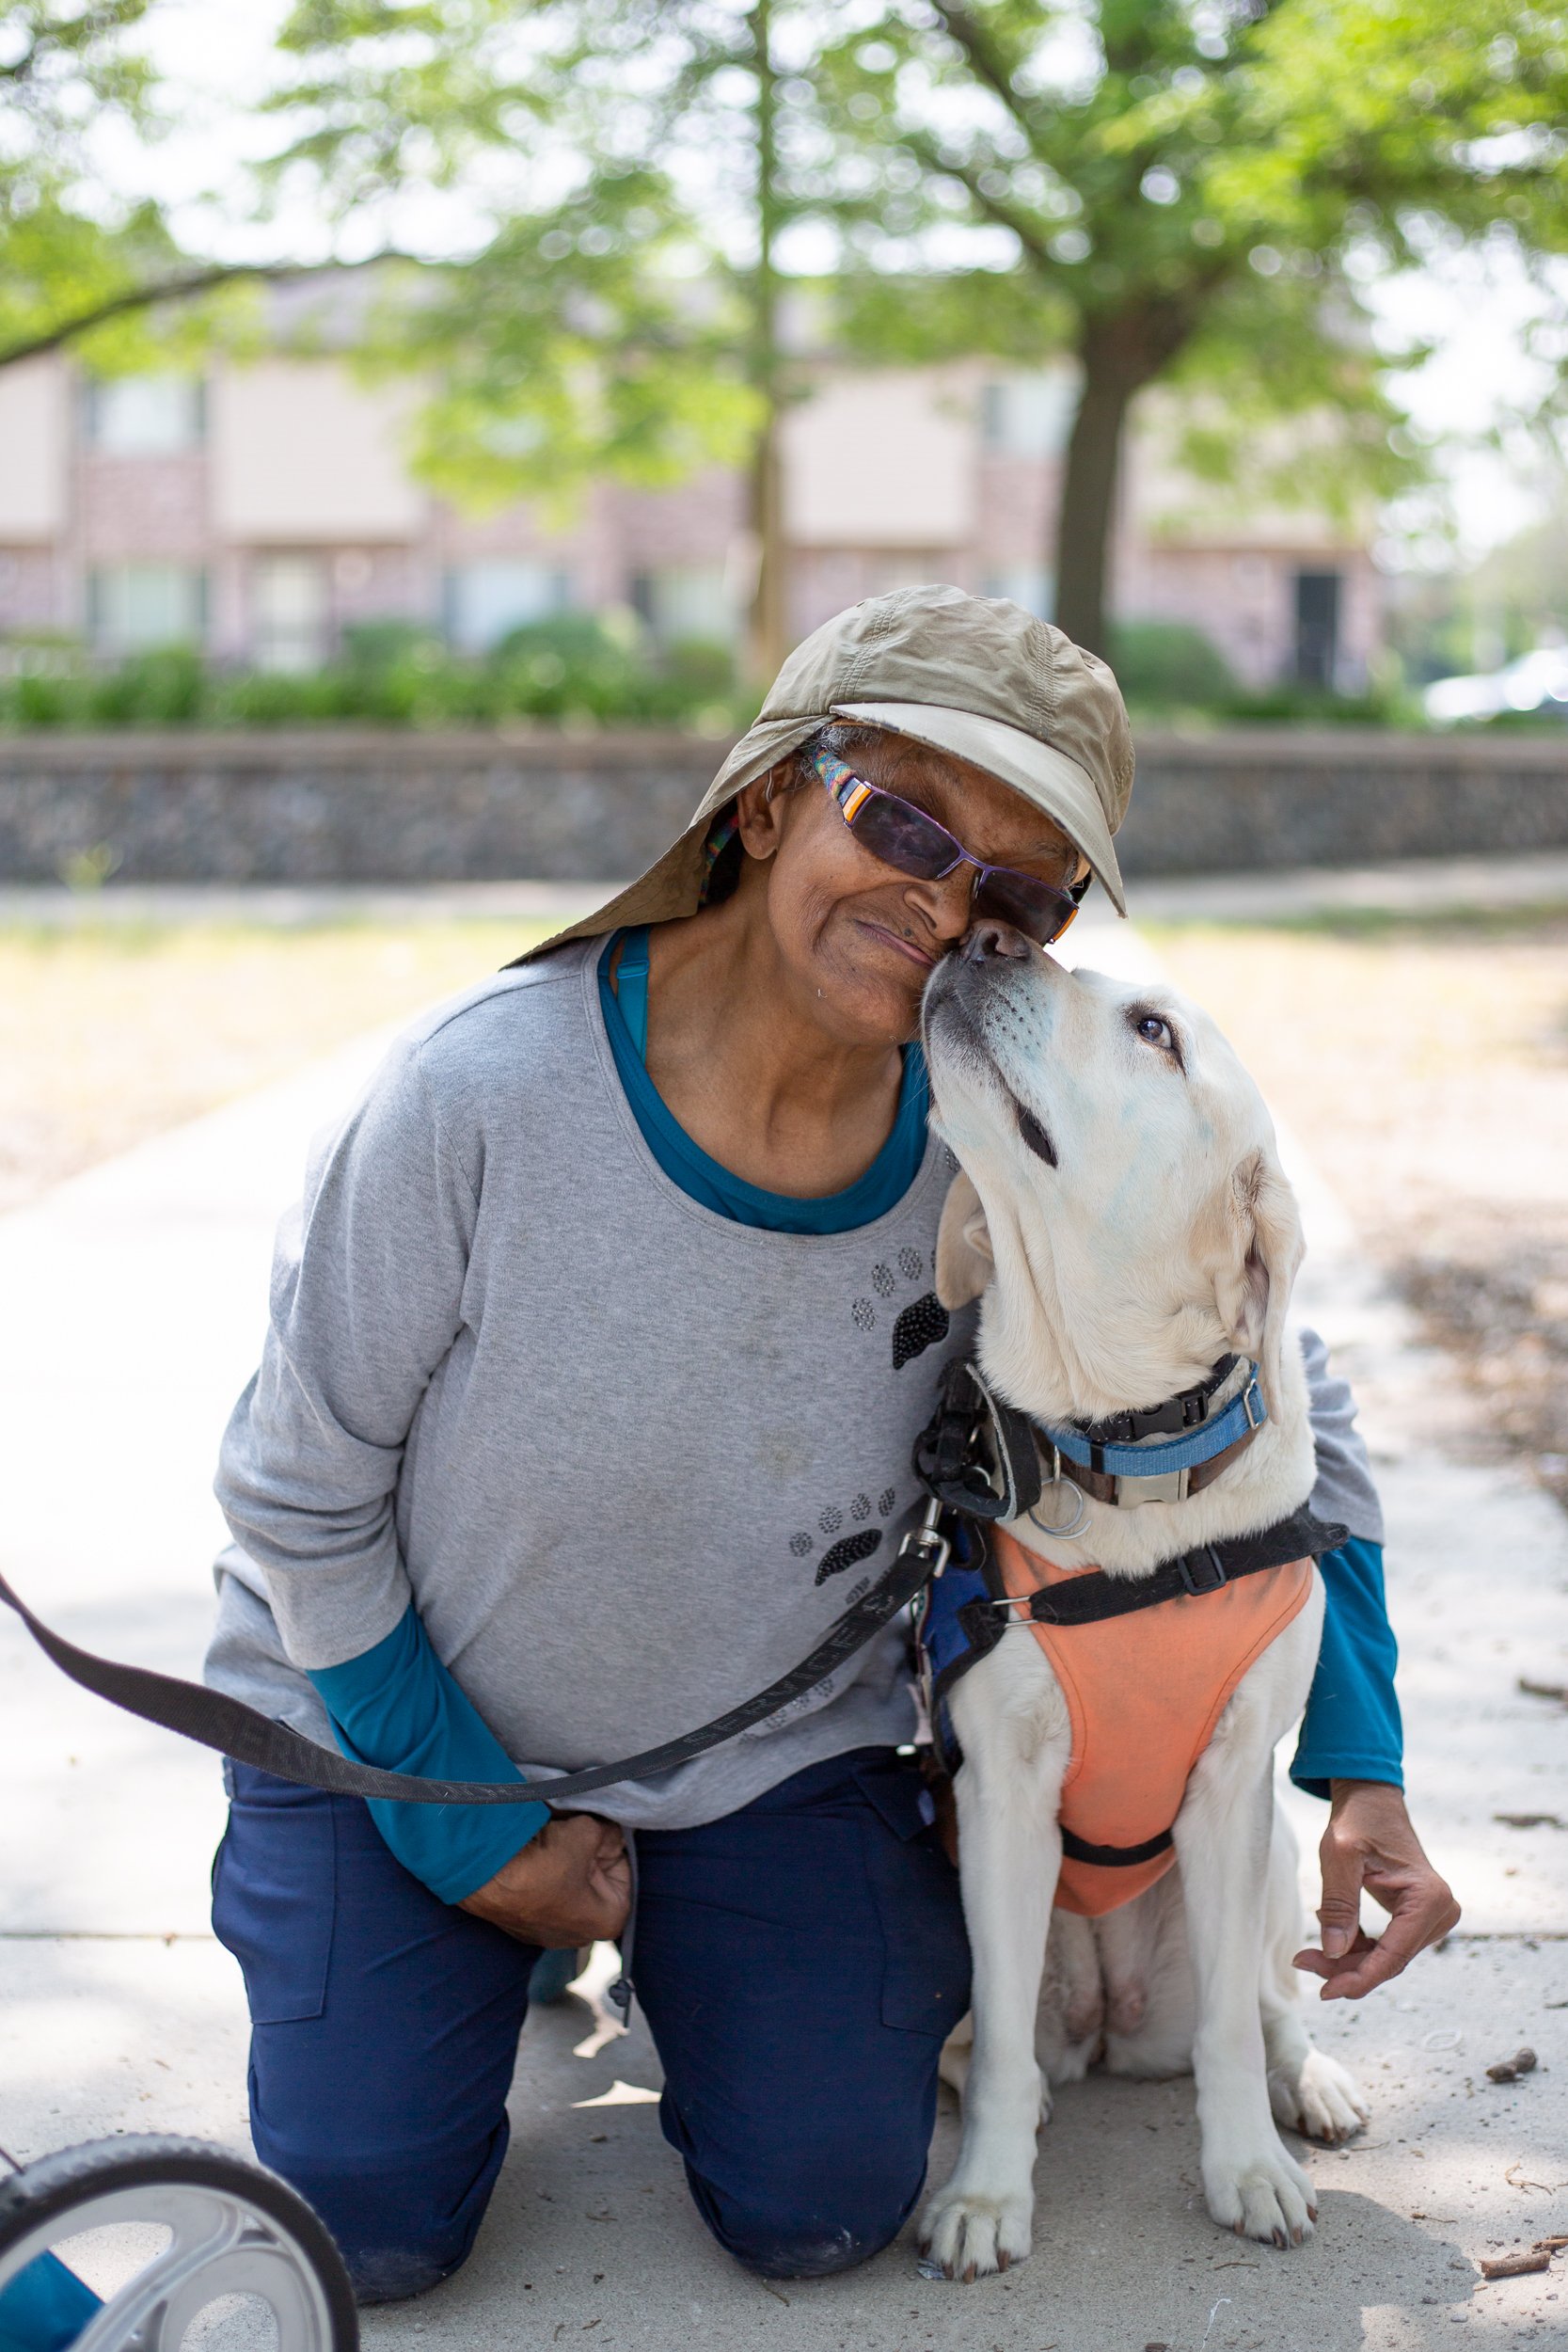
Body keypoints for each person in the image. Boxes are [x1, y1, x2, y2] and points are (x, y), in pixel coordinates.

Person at [204, 586, 1459, 2301]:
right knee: (372, 2225)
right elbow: (294, 1492)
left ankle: (674, 1943)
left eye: (1014, 891)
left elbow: (1286, 1391)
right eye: (907, 822)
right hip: (388, 1726)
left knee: (821, 2201)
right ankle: (479, 1940)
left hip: (750, 1765)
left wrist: (1362, 1762)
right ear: (765, 797)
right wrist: (473, 1835)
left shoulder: (1002, 1130)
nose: (944, 908)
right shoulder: (479, 1099)